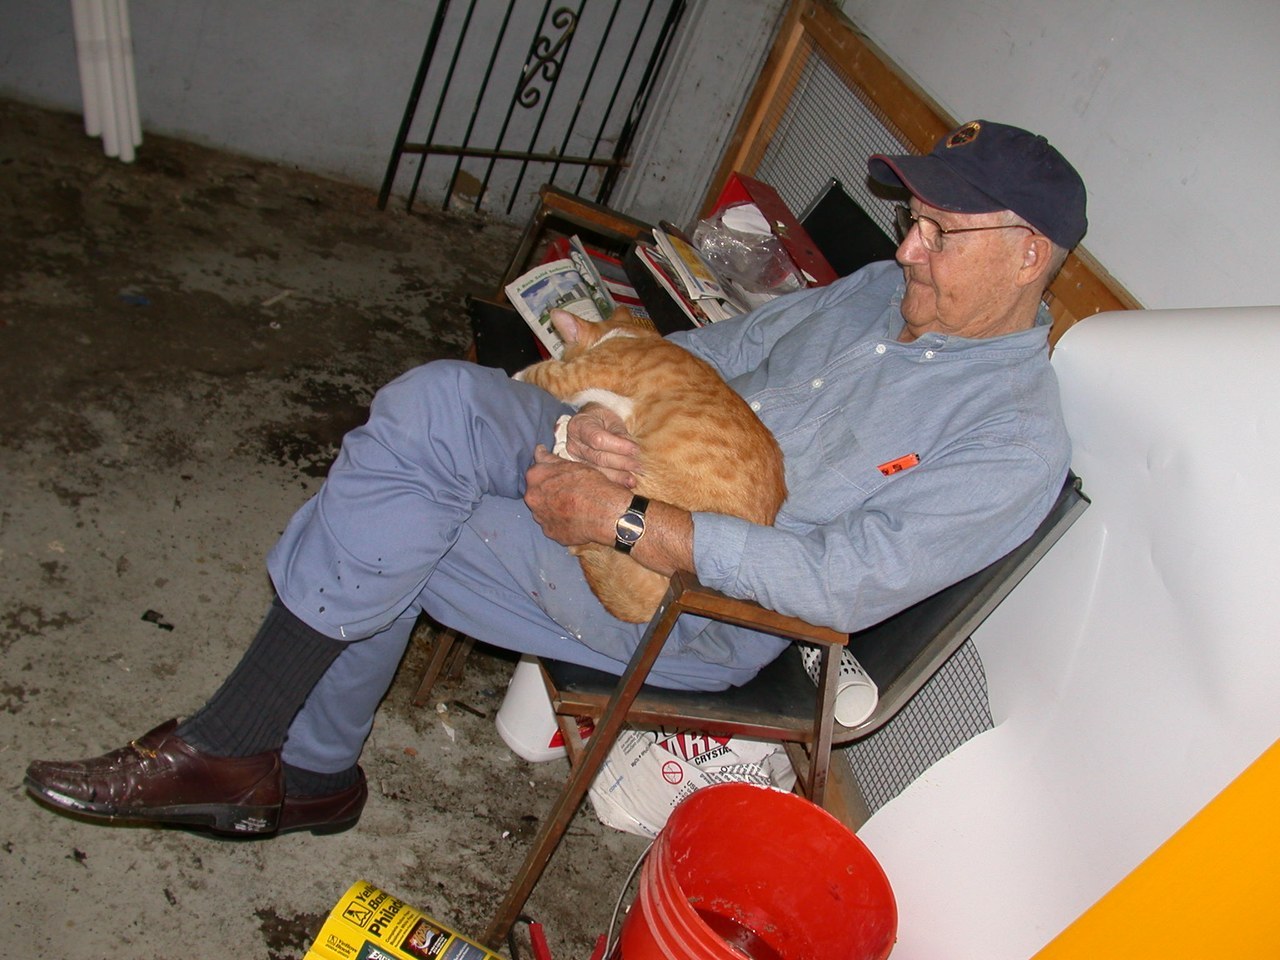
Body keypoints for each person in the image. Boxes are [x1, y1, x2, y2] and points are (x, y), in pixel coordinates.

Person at [25, 119, 1086, 837]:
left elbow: (838, 582)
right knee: (433, 404)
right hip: (634, 454)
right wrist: (606, 411)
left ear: (1027, 253)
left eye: (938, 233)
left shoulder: (1011, 442)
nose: (906, 251)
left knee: (390, 503)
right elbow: (705, 360)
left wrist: (628, 520)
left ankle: (260, 759)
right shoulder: (866, 296)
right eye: (909, 224)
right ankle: (292, 770)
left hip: (695, 598)